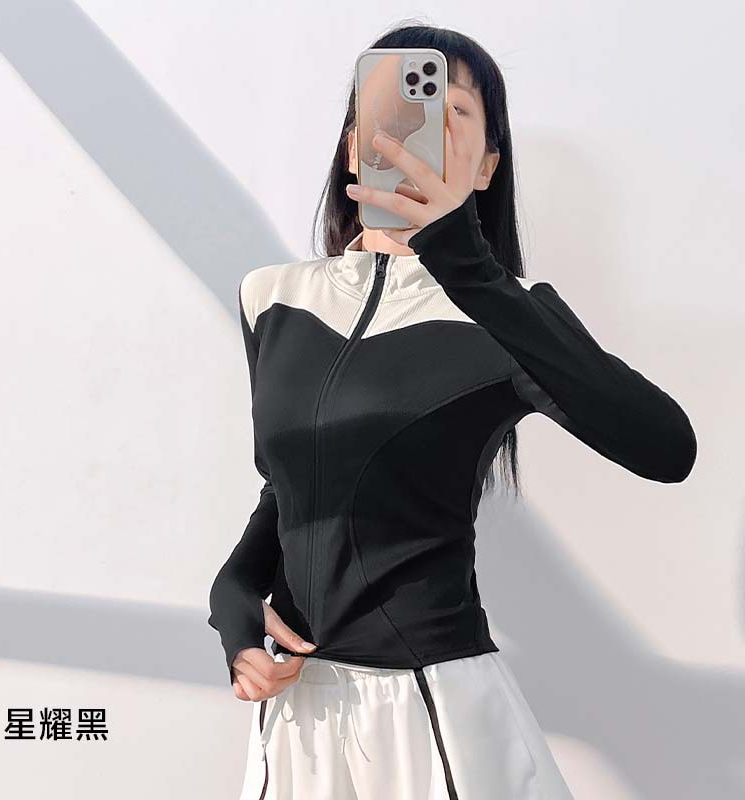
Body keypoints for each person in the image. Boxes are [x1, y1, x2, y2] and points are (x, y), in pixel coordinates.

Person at [208, 23, 697, 800]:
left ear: (487, 165)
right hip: (300, 716)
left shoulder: (509, 315)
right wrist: (233, 594)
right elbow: (292, 486)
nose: (420, 129)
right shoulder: (271, 298)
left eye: (452, 111)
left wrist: (469, 269)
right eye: (393, 111)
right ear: (353, 147)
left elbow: (666, 448)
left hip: (431, 712)